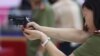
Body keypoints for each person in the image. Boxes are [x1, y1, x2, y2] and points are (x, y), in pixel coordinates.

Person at [23, 0, 100, 56]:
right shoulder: (74, 4)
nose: (85, 23)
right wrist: (40, 28)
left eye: (85, 16)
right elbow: (81, 34)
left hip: (63, 44)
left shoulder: (96, 40)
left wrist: (43, 38)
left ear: (95, 12)